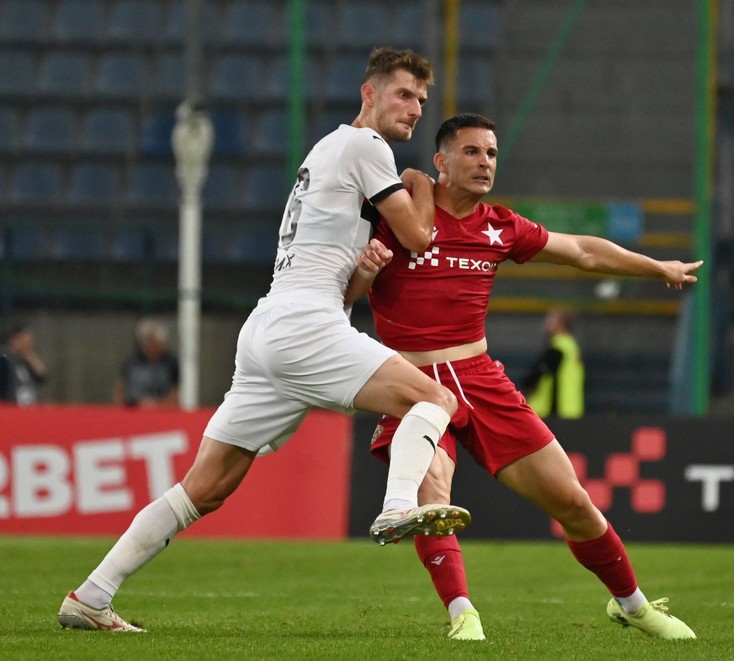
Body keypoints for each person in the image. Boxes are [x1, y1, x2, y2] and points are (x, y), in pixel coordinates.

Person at [57, 47, 472, 633]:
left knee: (206, 487)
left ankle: (92, 595)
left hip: (273, 327)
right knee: (436, 401)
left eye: (422, 100)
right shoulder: (366, 147)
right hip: (303, 325)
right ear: (369, 94)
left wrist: (366, 270)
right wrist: (421, 184)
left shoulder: (326, 153)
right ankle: (399, 505)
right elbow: (418, 233)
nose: (414, 108)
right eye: (404, 94)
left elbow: (343, 290)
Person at [347, 113, 703, 641]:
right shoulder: (398, 219)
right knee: (433, 499)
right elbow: (341, 298)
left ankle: (632, 605)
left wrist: (657, 267)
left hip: (481, 378)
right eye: (471, 152)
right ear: (441, 162)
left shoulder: (500, 225)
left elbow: (582, 250)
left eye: (491, 153)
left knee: (573, 501)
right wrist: (366, 271)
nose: (484, 162)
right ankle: (462, 614)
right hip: (412, 384)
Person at [522, 307, 584, 419]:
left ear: (560, 324)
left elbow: (535, 376)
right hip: (572, 409)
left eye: (550, 320)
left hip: (556, 411)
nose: (546, 323)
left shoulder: (558, 349)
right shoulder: (571, 347)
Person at [113, 319, 180, 408]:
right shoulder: (132, 362)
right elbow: (120, 390)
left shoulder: (171, 363)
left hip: (161, 411)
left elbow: (175, 395)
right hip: (133, 410)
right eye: (146, 341)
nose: (149, 345)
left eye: (152, 341)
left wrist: (156, 406)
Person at [0, 321, 47, 405]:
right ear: (15, 340)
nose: (30, 345)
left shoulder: (24, 361)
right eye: (27, 341)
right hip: (11, 410)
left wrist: (30, 355)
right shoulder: (4, 360)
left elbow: (42, 377)